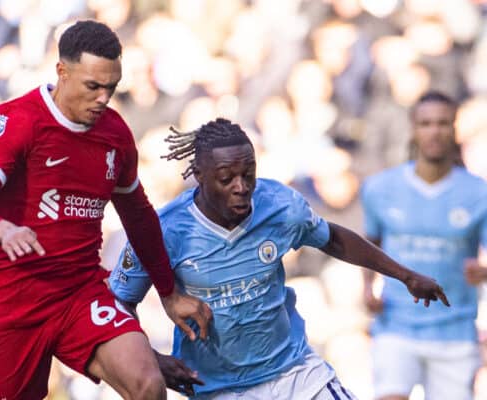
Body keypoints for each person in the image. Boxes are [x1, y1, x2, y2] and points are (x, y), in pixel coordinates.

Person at [0, 20, 212, 400]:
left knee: (148, 383)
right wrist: (3, 230)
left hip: (79, 291)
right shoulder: (19, 121)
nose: (104, 97)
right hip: (13, 301)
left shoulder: (115, 135)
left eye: (111, 87)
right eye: (93, 86)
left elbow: (138, 216)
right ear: (62, 72)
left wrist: (168, 294)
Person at [108, 118, 450, 399]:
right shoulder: (163, 231)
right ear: (199, 174)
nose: (241, 186)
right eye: (227, 178)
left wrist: (405, 276)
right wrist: (152, 360)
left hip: (296, 373)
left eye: (249, 174)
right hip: (218, 389)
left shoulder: (281, 205)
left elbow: (333, 239)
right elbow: (118, 306)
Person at [361, 91, 487, 400]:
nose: (435, 131)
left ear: (455, 129)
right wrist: (366, 289)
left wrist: (482, 272)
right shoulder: (380, 188)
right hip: (396, 324)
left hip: (454, 330)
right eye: (426, 123)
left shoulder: (478, 192)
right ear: (413, 129)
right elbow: (369, 244)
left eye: (443, 123)